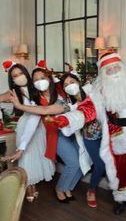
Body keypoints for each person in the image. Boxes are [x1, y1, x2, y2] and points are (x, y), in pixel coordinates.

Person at [57, 52, 126, 218]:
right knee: (122, 172)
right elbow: (86, 110)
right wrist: (67, 120)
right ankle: (122, 199)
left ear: (123, 67)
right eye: (109, 71)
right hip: (122, 139)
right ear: (103, 74)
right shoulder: (99, 91)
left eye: (116, 67)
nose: (114, 72)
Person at [9, 61, 90, 203]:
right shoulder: (36, 99)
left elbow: (75, 94)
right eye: (35, 80)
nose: (40, 82)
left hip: (74, 130)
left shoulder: (60, 90)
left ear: (49, 78)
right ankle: (60, 188)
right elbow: (38, 117)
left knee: (83, 161)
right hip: (55, 134)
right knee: (73, 163)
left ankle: (67, 188)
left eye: (42, 78)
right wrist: (21, 147)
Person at [2, 60, 55, 202]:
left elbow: (39, 113)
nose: (18, 77)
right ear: (12, 79)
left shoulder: (37, 88)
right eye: (14, 76)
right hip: (25, 125)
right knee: (25, 157)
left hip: (38, 126)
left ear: (26, 73)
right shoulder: (13, 92)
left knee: (36, 156)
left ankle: (32, 184)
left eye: (20, 73)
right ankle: (29, 186)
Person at [60, 72, 105, 208]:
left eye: (71, 82)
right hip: (90, 138)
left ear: (78, 82)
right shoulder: (70, 105)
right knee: (100, 164)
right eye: (66, 85)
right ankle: (91, 190)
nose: (70, 86)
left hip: (107, 134)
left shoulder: (91, 91)